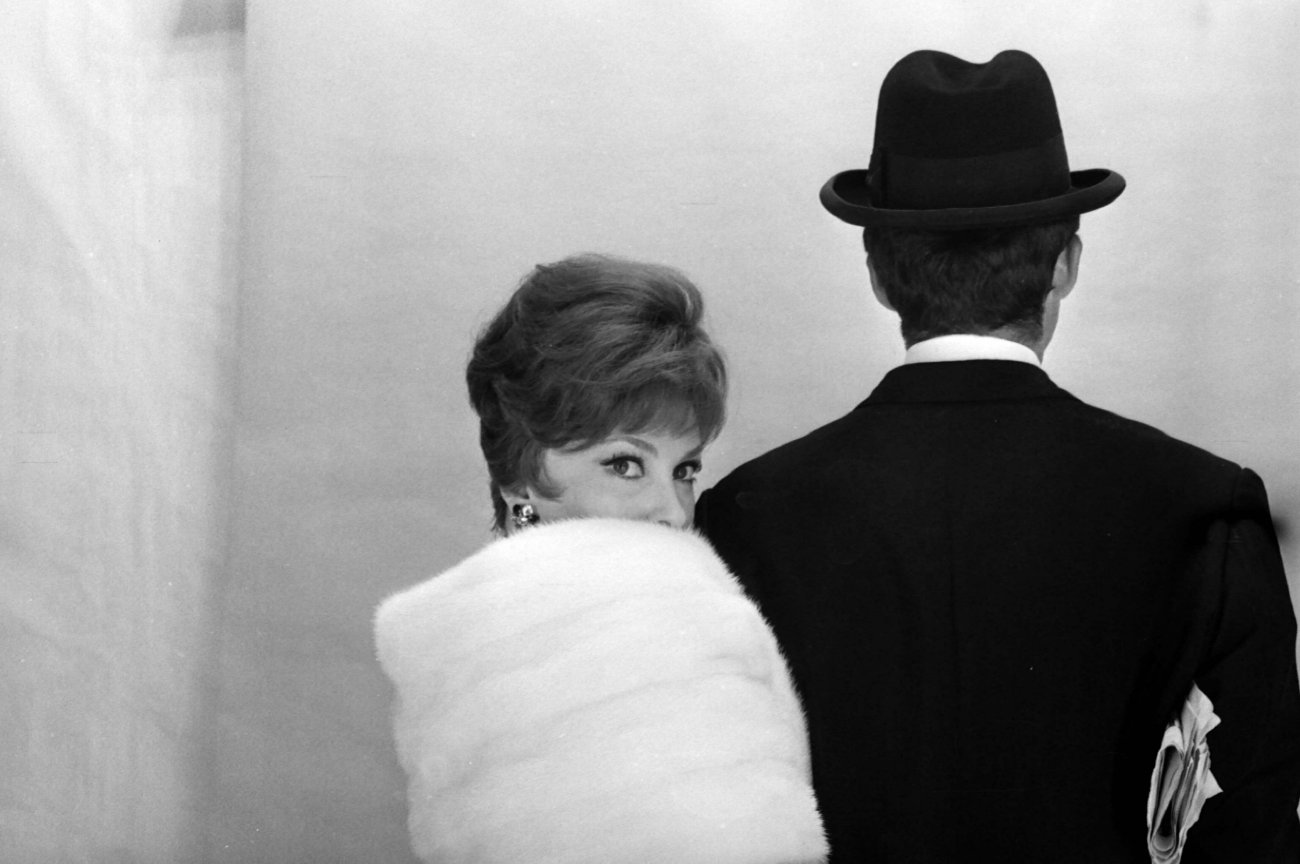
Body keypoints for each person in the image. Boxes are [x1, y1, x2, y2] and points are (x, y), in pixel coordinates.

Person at [695, 50, 1300, 862]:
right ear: (1067, 264)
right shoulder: (1203, 509)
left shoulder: (746, 518)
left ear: (877, 272)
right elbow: (1254, 835)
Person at [373, 254, 828, 864]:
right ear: (523, 475)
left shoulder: (465, 647)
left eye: (685, 469)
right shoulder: (641, 641)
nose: (673, 511)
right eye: (625, 464)